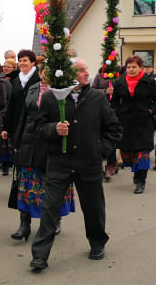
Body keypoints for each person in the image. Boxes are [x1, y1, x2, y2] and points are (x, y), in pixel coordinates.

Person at [30, 59, 122, 270]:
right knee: (49, 210)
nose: (86, 73)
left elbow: (114, 128)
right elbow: (39, 128)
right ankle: (40, 255)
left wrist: (100, 150)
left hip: (88, 164)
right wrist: (54, 129)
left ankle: (97, 243)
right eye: (80, 70)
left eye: (85, 69)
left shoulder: (97, 98)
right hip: (59, 163)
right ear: (68, 75)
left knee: (93, 208)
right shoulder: (52, 97)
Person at [2, 50, 75, 242]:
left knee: (50, 184)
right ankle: (24, 225)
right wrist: (16, 141)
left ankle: (54, 219)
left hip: (52, 144)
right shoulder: (32, 89)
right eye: (43, 72)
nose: (44, 75)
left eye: (48, 72)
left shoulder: (63, 92)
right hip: (29, 142)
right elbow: (23, 117)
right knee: (25, 183)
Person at [110, 55, 156, 193]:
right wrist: (118, 112)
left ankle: (141, 181)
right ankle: (137, 173)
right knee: (130, 153)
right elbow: (114, 102)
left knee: (143, 152)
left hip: (144, 122)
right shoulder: (119, 82)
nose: (131, 69)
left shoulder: (149, 82)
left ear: (140, 67)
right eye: (129, 67)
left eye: (134, 67)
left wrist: (151, 110)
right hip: (126, 123)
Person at [91, 71, 119, 180]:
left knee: (112, 137)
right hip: (101, 109)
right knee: (102, 137)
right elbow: (93, 89)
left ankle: (111, 164)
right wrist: (105, 91)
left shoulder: (120, 75)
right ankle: (109, 165)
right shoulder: (99, 75)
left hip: (116, 109)